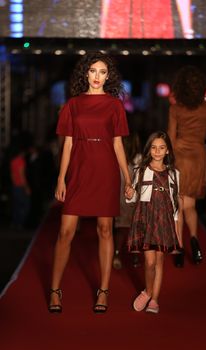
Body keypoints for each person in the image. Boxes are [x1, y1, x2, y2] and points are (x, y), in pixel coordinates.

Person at [48, 51, 132, 314]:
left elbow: (118, 143)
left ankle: (103, 291)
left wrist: (127, 178)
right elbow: (68, 144)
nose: (97, 77)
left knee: (105, 230)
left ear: (109, 76)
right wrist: (61, 178)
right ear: (85, 73)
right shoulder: (72, 104)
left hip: (105, 169)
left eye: (103, 72)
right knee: (65, 231)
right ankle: (54, 290)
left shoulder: (115, 105)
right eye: (93, 71)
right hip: (79, 170)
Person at [167, 65, 206, 267]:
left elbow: (170, 136)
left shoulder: (175, 108)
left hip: (179, 157)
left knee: (178, 207)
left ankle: (179, 247)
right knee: (191, 206)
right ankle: (195, 240)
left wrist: (166, 160)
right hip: (198, 157)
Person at [127, 131, 181, 314]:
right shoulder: (141, 171)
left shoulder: (174, 174)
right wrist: (129, 194)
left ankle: (154, 299)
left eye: (162, 148)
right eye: (154, 147)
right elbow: (132, 198)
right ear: (149, 149)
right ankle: (148, 291)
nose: (157, 151)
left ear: (167, 151)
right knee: (149, 262)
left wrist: (176, 228)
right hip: (146, 218)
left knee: (159, 260)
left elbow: (175, 204)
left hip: (164, 220)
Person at [113, 132, 142, 269]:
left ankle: (117, 254)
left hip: (121, 199)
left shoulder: (117, 160)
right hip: (135, 199)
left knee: (120, 228)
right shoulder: (140, 159)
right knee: (135, 228)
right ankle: (135, 255)